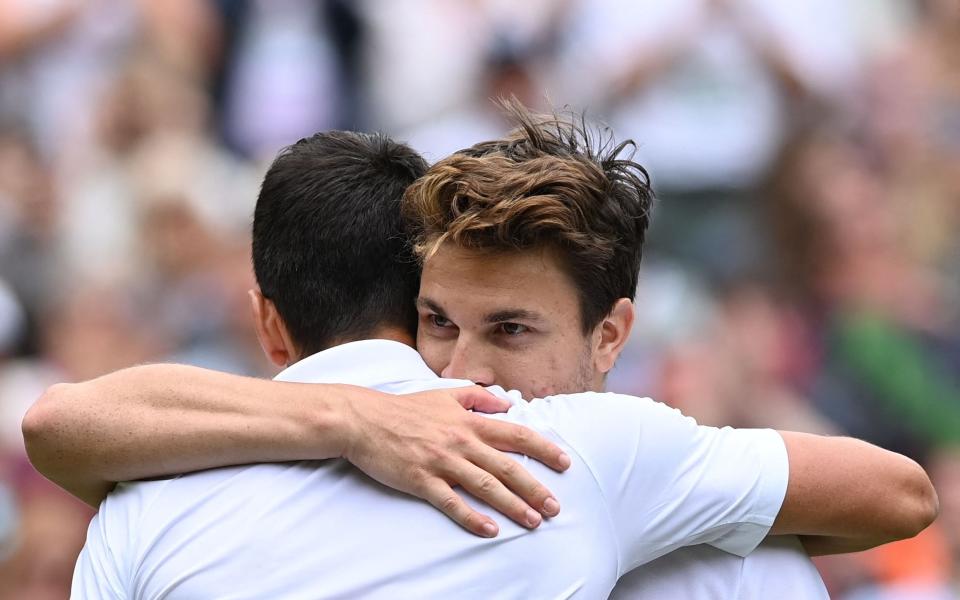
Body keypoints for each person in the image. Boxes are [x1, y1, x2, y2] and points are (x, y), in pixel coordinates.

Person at [25, 111, 935, 597]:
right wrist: (355, 421)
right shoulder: (586, 455)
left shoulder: (616, 457)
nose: (461, 371)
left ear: (612, 334)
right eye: (440, 323)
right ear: (403, 307)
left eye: (510, 331)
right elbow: (55, 422)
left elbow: (900, 493)